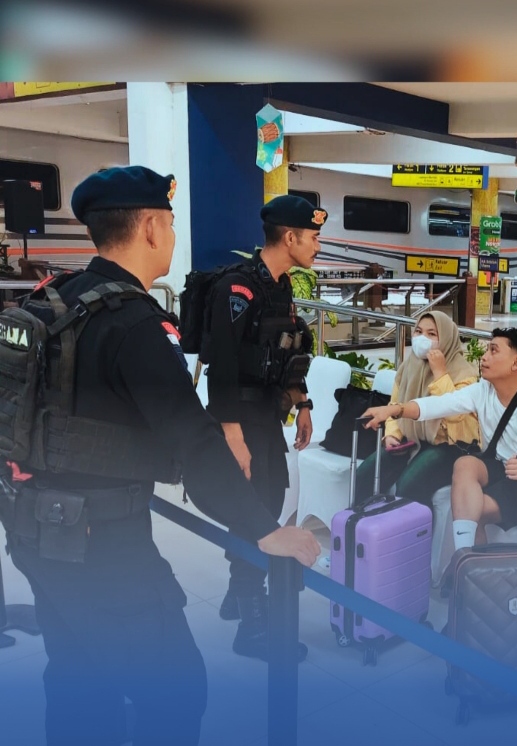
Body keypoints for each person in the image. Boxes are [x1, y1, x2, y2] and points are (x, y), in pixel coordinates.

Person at [0, 166, 320, 746]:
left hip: (32, 528)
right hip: (102, 544)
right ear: (149, 227)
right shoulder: (134, 321)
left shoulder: (57, 297)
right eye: (170, 224)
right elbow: (193, 437)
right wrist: (263, 529)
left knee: (77, 678)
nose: (172, 236)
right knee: (175, 689)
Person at [204, 194, 325, 661]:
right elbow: (222, 368)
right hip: (240, 420)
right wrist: (232, 436)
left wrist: (302, 402)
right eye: (313, 237)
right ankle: (252, 624)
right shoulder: (237, 289)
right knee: (255, 509)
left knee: (268, 501)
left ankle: (238, 595)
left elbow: (287, 352)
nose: (317, 245)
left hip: (266, 416)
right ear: (290, 237)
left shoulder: (281, 286)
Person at [362, 327, 517, 550]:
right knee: (465, 463)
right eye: (487, 350)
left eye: (494, 350)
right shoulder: (483, 391)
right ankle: (466, 557)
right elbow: (440, 404)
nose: (484, 357)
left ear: (516, 363)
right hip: (500, 467)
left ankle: (465, 558)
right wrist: (394, 410)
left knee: (472, 510)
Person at [354, 311, 479, 507]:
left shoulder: (464, 373)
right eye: (418, 332)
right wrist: (392, 435)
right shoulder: (408, 366)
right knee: (365, 473)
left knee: (409, 484)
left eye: (432, 334)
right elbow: (395, 404)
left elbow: (454, 412)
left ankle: (416, 527)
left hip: (450, 446)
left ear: (446, 338)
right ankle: (364, 522)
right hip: (412, 440)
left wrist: (440, 372)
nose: (422, 338)